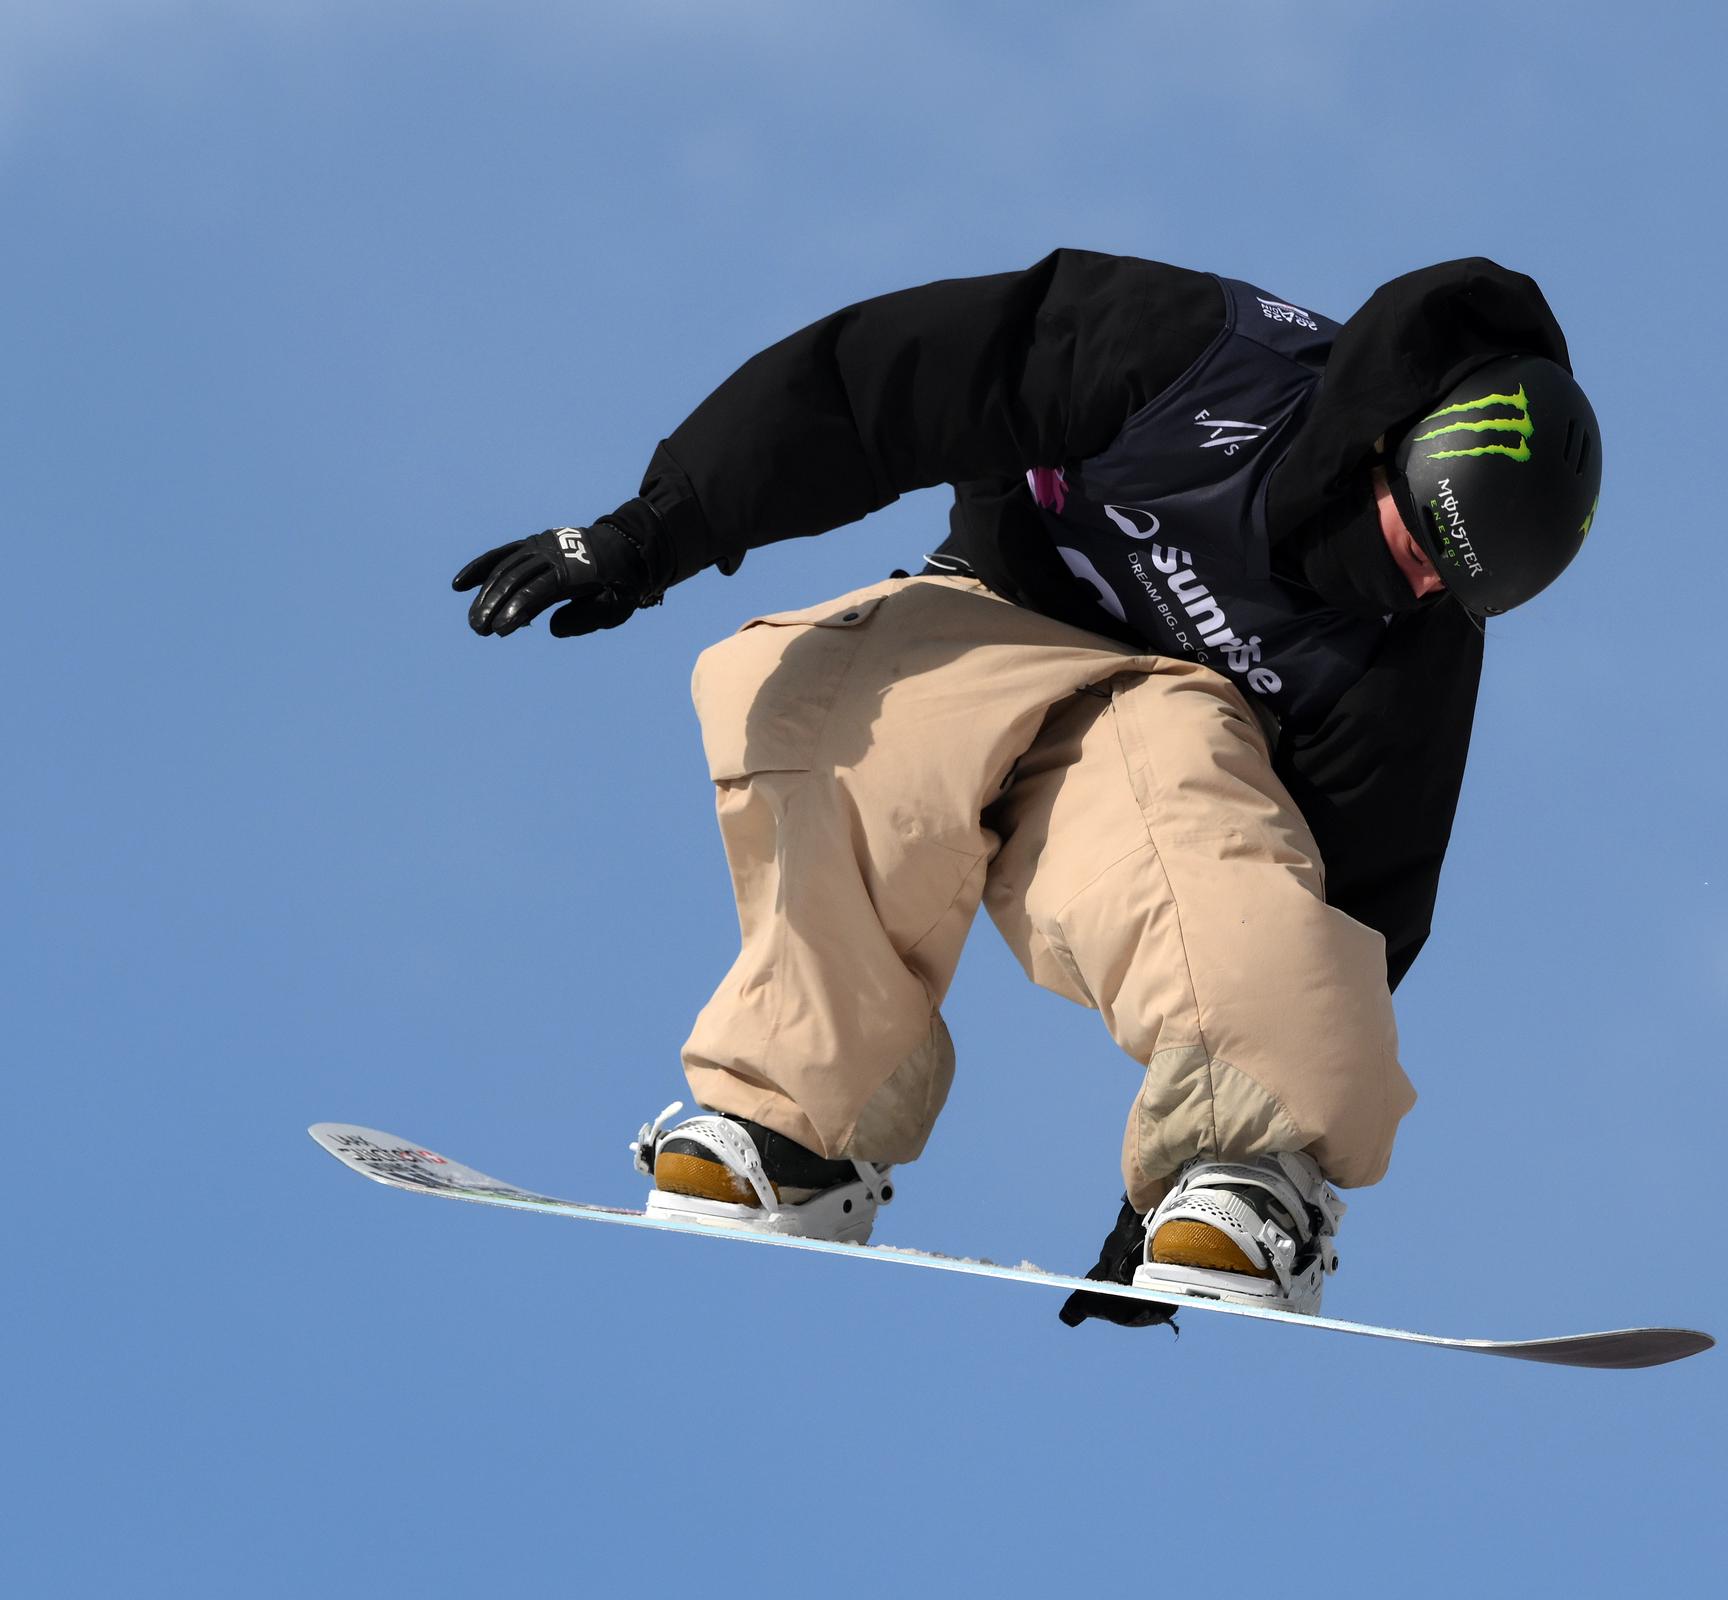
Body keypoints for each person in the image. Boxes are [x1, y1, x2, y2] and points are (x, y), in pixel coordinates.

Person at [452, 250, 1602, 1325]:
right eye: (1418, 536)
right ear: (1382, 438)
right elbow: (878, 385)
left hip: (1161, 734)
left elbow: (1364, 896)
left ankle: (1246, 1176)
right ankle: (799, 1125)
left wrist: (1196, 1189)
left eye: (1450, 582)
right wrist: (650, 531)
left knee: (1201, 843)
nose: (1414, 579)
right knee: (823, 702)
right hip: (985, 621)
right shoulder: (1186, 355)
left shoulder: (1416, 645)